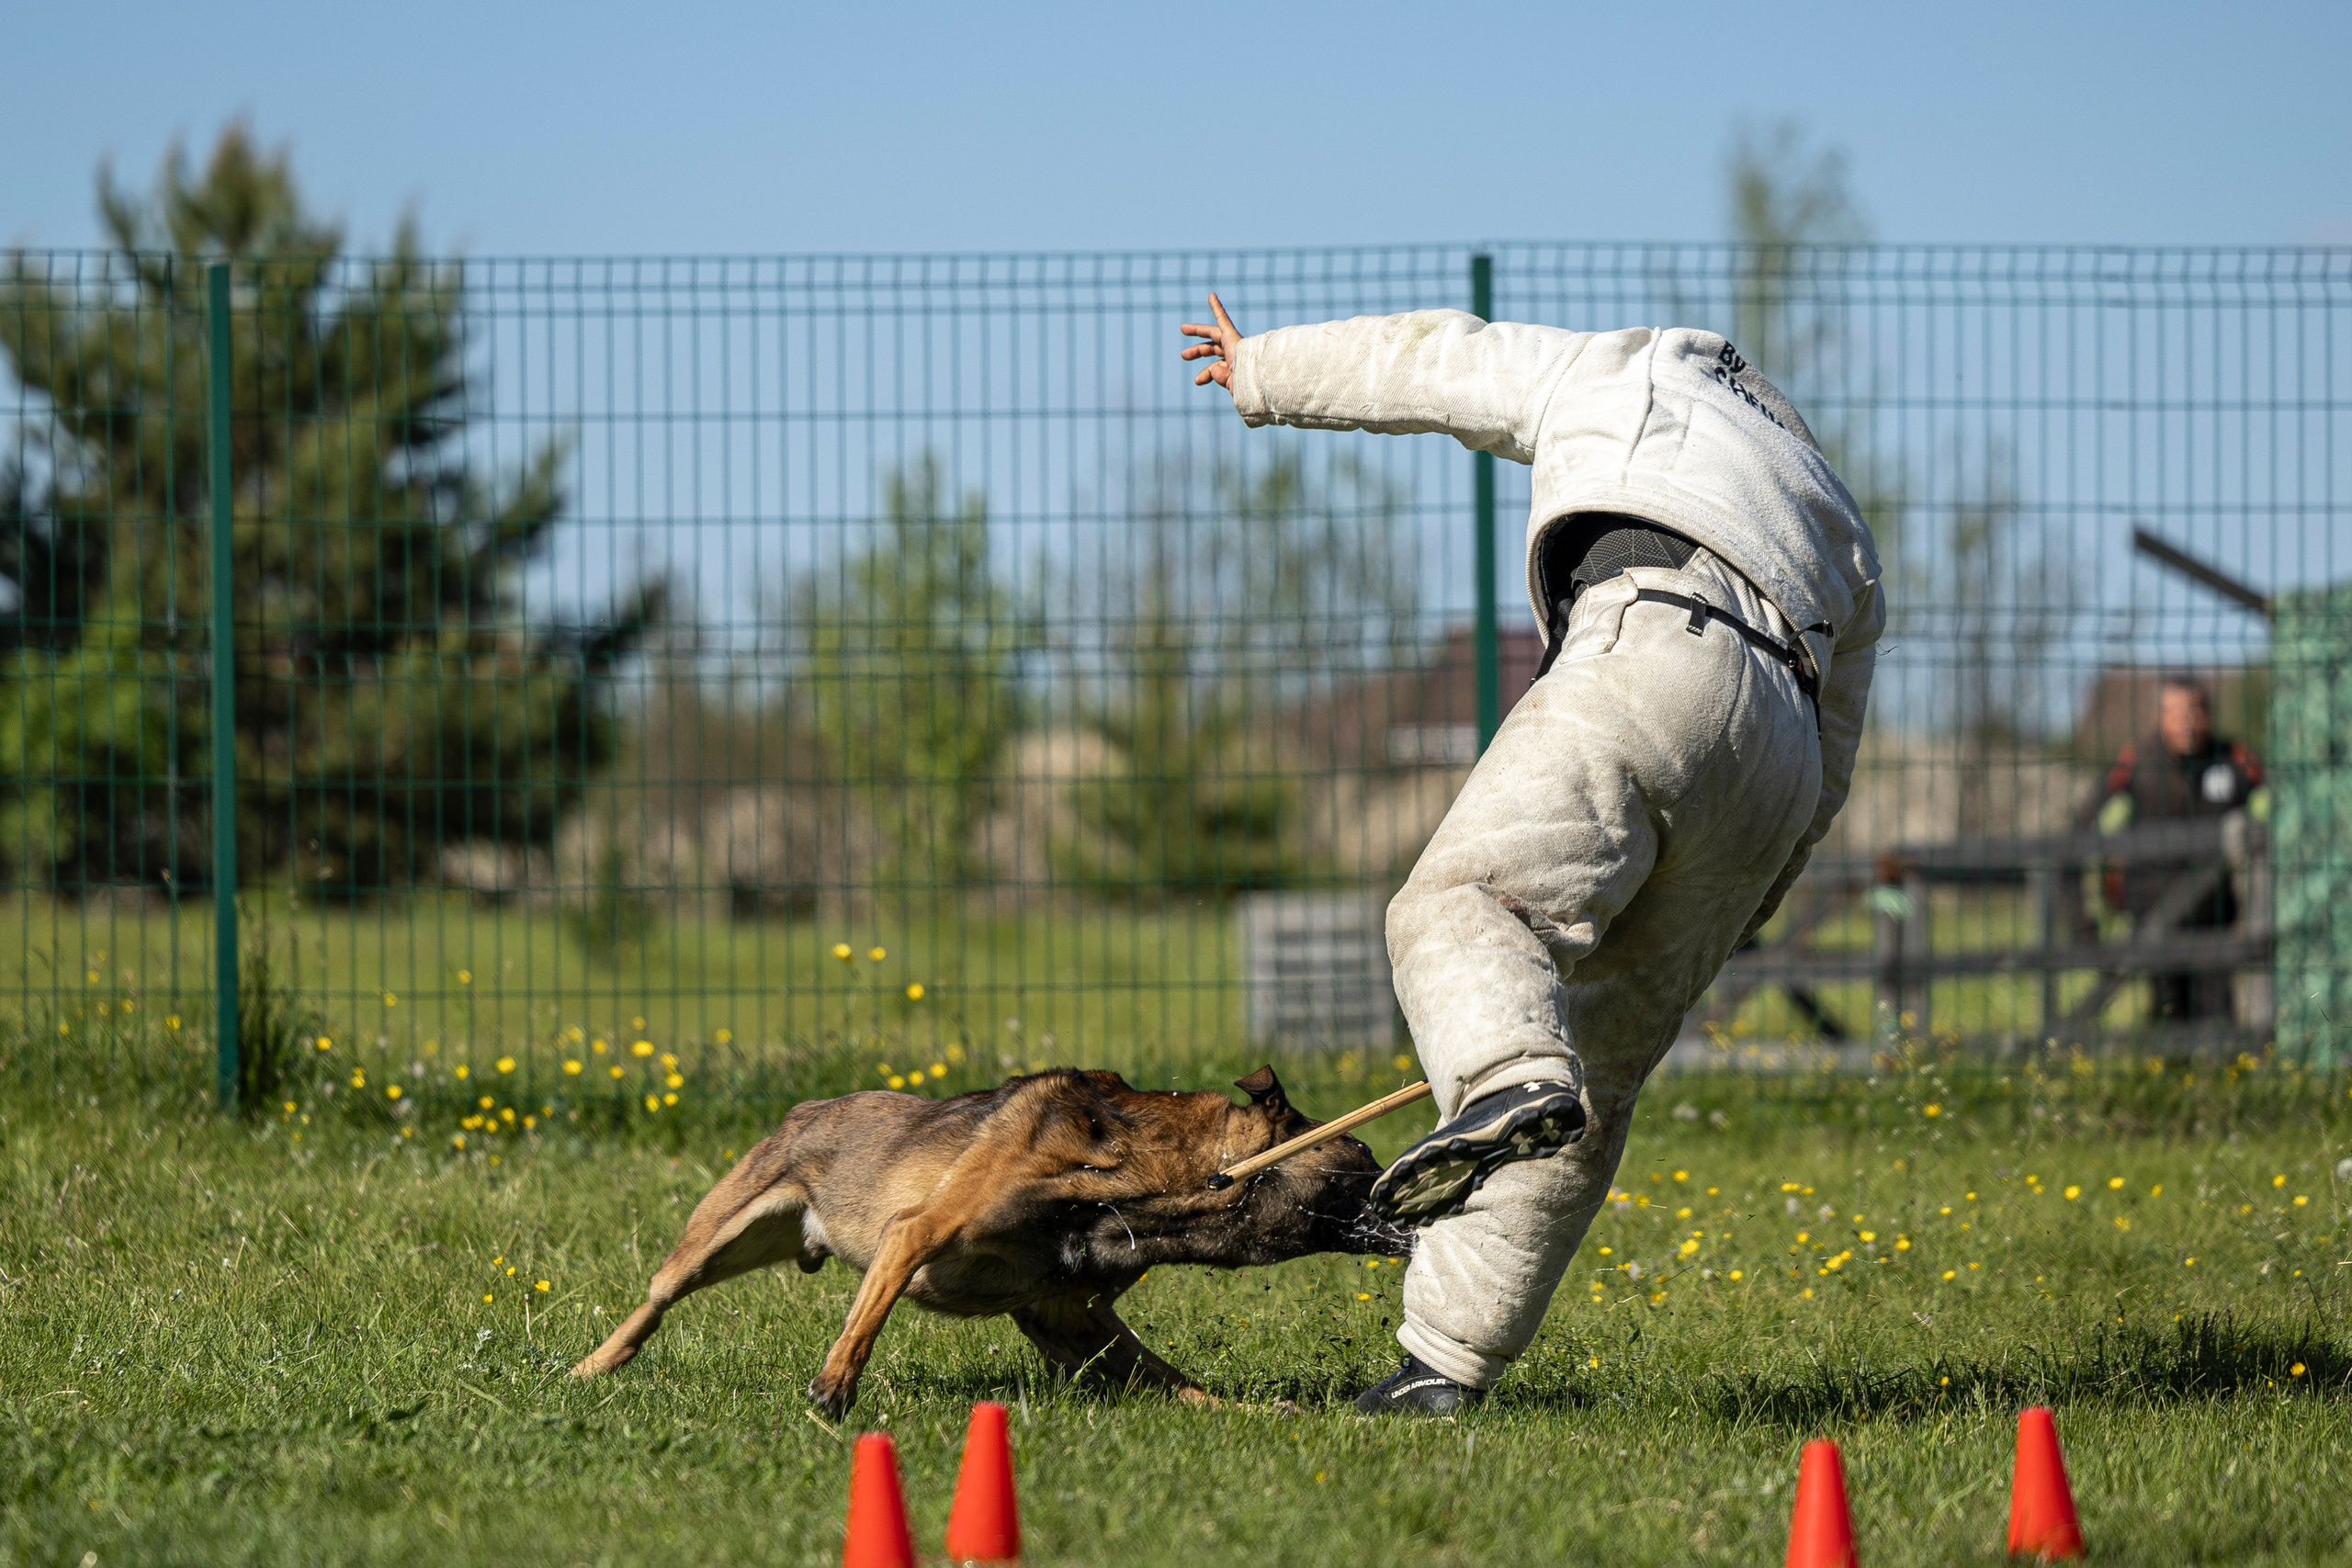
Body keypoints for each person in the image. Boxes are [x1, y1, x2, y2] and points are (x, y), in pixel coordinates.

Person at [1182, 295, 1883, 1414]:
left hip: (1654, 640)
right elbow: (1836, 747)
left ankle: (1506, 1081)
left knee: (1459, 909)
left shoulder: (1627, 371)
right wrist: (1747, 900)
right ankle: (1443, 1370)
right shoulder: (1827, 501)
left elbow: (1434, 362)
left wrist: (1261, 367)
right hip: (1779, 748)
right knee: (1595, 1077)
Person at [2096, 675, 2264, 1021]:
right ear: (2159, 715)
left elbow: (2275, 815)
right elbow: (2090, 829)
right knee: (2168, 1012)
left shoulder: (2236, 759)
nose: (2187, 721)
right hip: (2153, 917)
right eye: (2176, 712)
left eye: (2195, 710)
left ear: (2209, 713)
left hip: (2216, 918)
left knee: (2218, 1014)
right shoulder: (2135, 763)